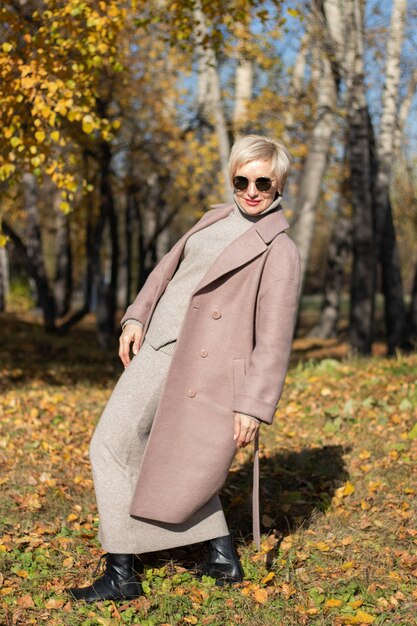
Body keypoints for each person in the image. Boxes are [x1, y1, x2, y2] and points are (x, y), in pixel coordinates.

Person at [69, 134, 300, 603]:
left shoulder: (280, 250)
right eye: (242, 180)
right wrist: (136, 315)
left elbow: (274, 339)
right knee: (139, 449)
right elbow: (166, 271)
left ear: (279, 187)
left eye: (263, 182)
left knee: (110, 446)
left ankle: (122, 574)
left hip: (201, 365)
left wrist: (254, 405)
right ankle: (219, 554)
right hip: (157, 345)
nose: (251, 191)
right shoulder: (214, 216)